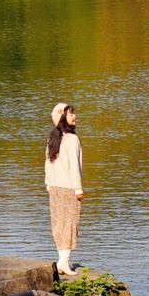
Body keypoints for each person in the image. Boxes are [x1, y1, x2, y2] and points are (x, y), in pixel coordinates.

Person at [45, 102, 83, 276]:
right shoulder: (72, 139)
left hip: (54, 187)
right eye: (70, 114)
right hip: (68, 187)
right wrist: (78, 188)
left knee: (59, 222)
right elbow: (74, 166)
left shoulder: (53, 137)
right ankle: (64, 262)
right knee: (69, 223)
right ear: (62, 117)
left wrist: (48, 183)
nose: (74, 116)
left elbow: (47, 163)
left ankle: (62, 260)